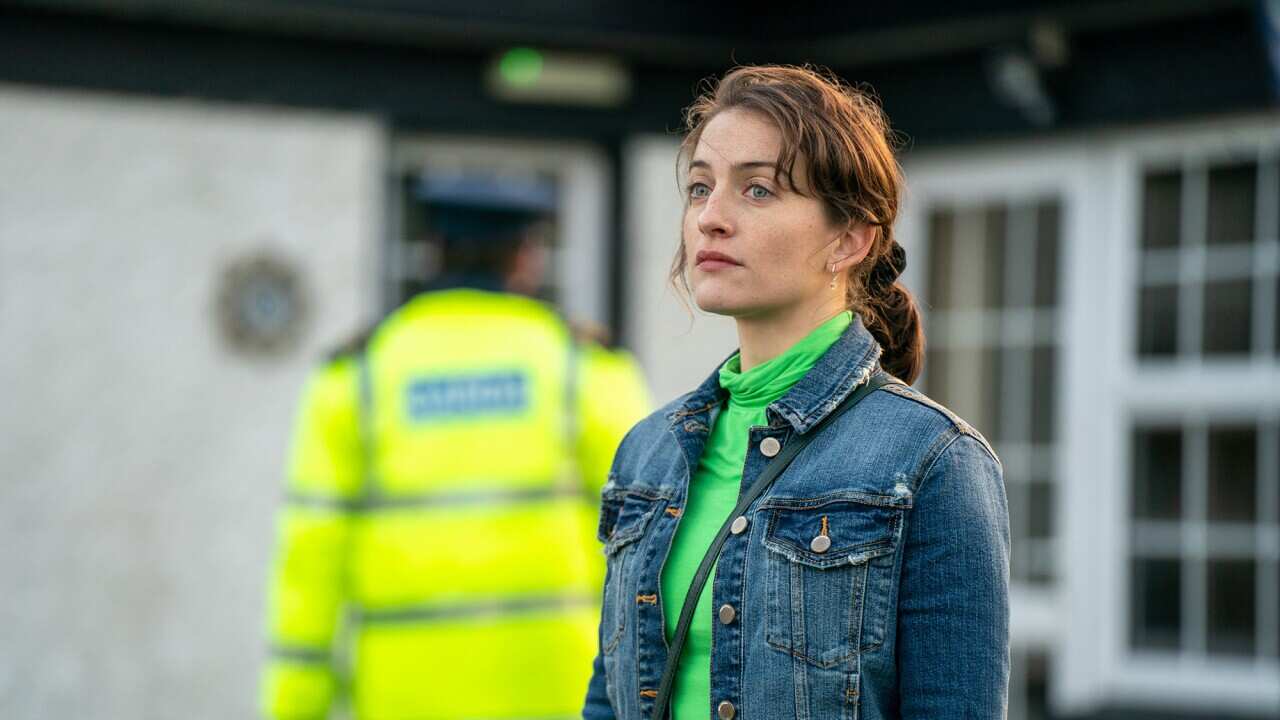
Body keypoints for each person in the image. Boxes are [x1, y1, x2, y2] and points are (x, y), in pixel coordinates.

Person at [582, 65, 1009, 720]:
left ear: (850, 239)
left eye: (757, 190)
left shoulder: (933, 462)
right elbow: (608, 701)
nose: (710, 219)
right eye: (700, 188)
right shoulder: (647, 454)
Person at [260, 177, 651, 720]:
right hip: (560, 696)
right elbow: (653, 539)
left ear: (432, 253)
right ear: (526, 259)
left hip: (400, 700)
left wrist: (294, 708)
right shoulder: (584, 369)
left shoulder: (358, 376)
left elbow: (310, 558)